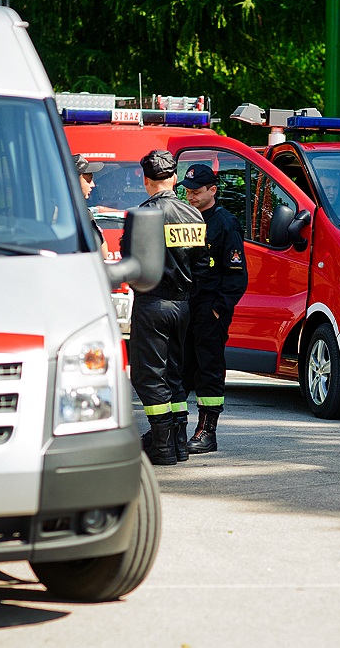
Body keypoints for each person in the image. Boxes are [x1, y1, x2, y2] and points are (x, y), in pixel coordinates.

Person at [123, 149, 208, 466]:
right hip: (182, 305)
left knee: (149, 376)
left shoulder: (143, 215)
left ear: (146, 180)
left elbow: (130, 264)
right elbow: (202, 263)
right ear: (174, 178)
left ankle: (161, 445)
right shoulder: (193, 214)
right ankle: (178, 443)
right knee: (174, 376)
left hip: (152, 303)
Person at [180, 163, 248, 454]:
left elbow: (236, 276)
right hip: (184, 305)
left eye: (197, 192)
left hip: (209, 308)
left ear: (212, 190)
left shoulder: (225, 223)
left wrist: (218, 309)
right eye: (188, 191)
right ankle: (171, 431)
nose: (191, 196)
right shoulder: (183, 219)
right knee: (180, 370)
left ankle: (207, 432)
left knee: (209, 369)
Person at [73, 154, 109, 258]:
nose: (93, 185)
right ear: (74, 181)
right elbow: (104, 253)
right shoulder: (82, 213)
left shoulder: (48, 210)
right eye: (88, 180)